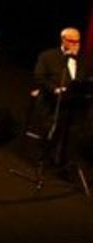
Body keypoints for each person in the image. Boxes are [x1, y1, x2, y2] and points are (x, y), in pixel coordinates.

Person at [31, 28, 89, 167]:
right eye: (72, 41)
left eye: (78, 42)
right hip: (51, 101)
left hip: (73, 103)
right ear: (63, 40)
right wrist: (55, 89)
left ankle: (63, 161)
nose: (76, 45)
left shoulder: (84, 60)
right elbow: (39, 77)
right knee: (50, 127)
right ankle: (43, 158)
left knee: (74, 131)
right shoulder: (48, 56)